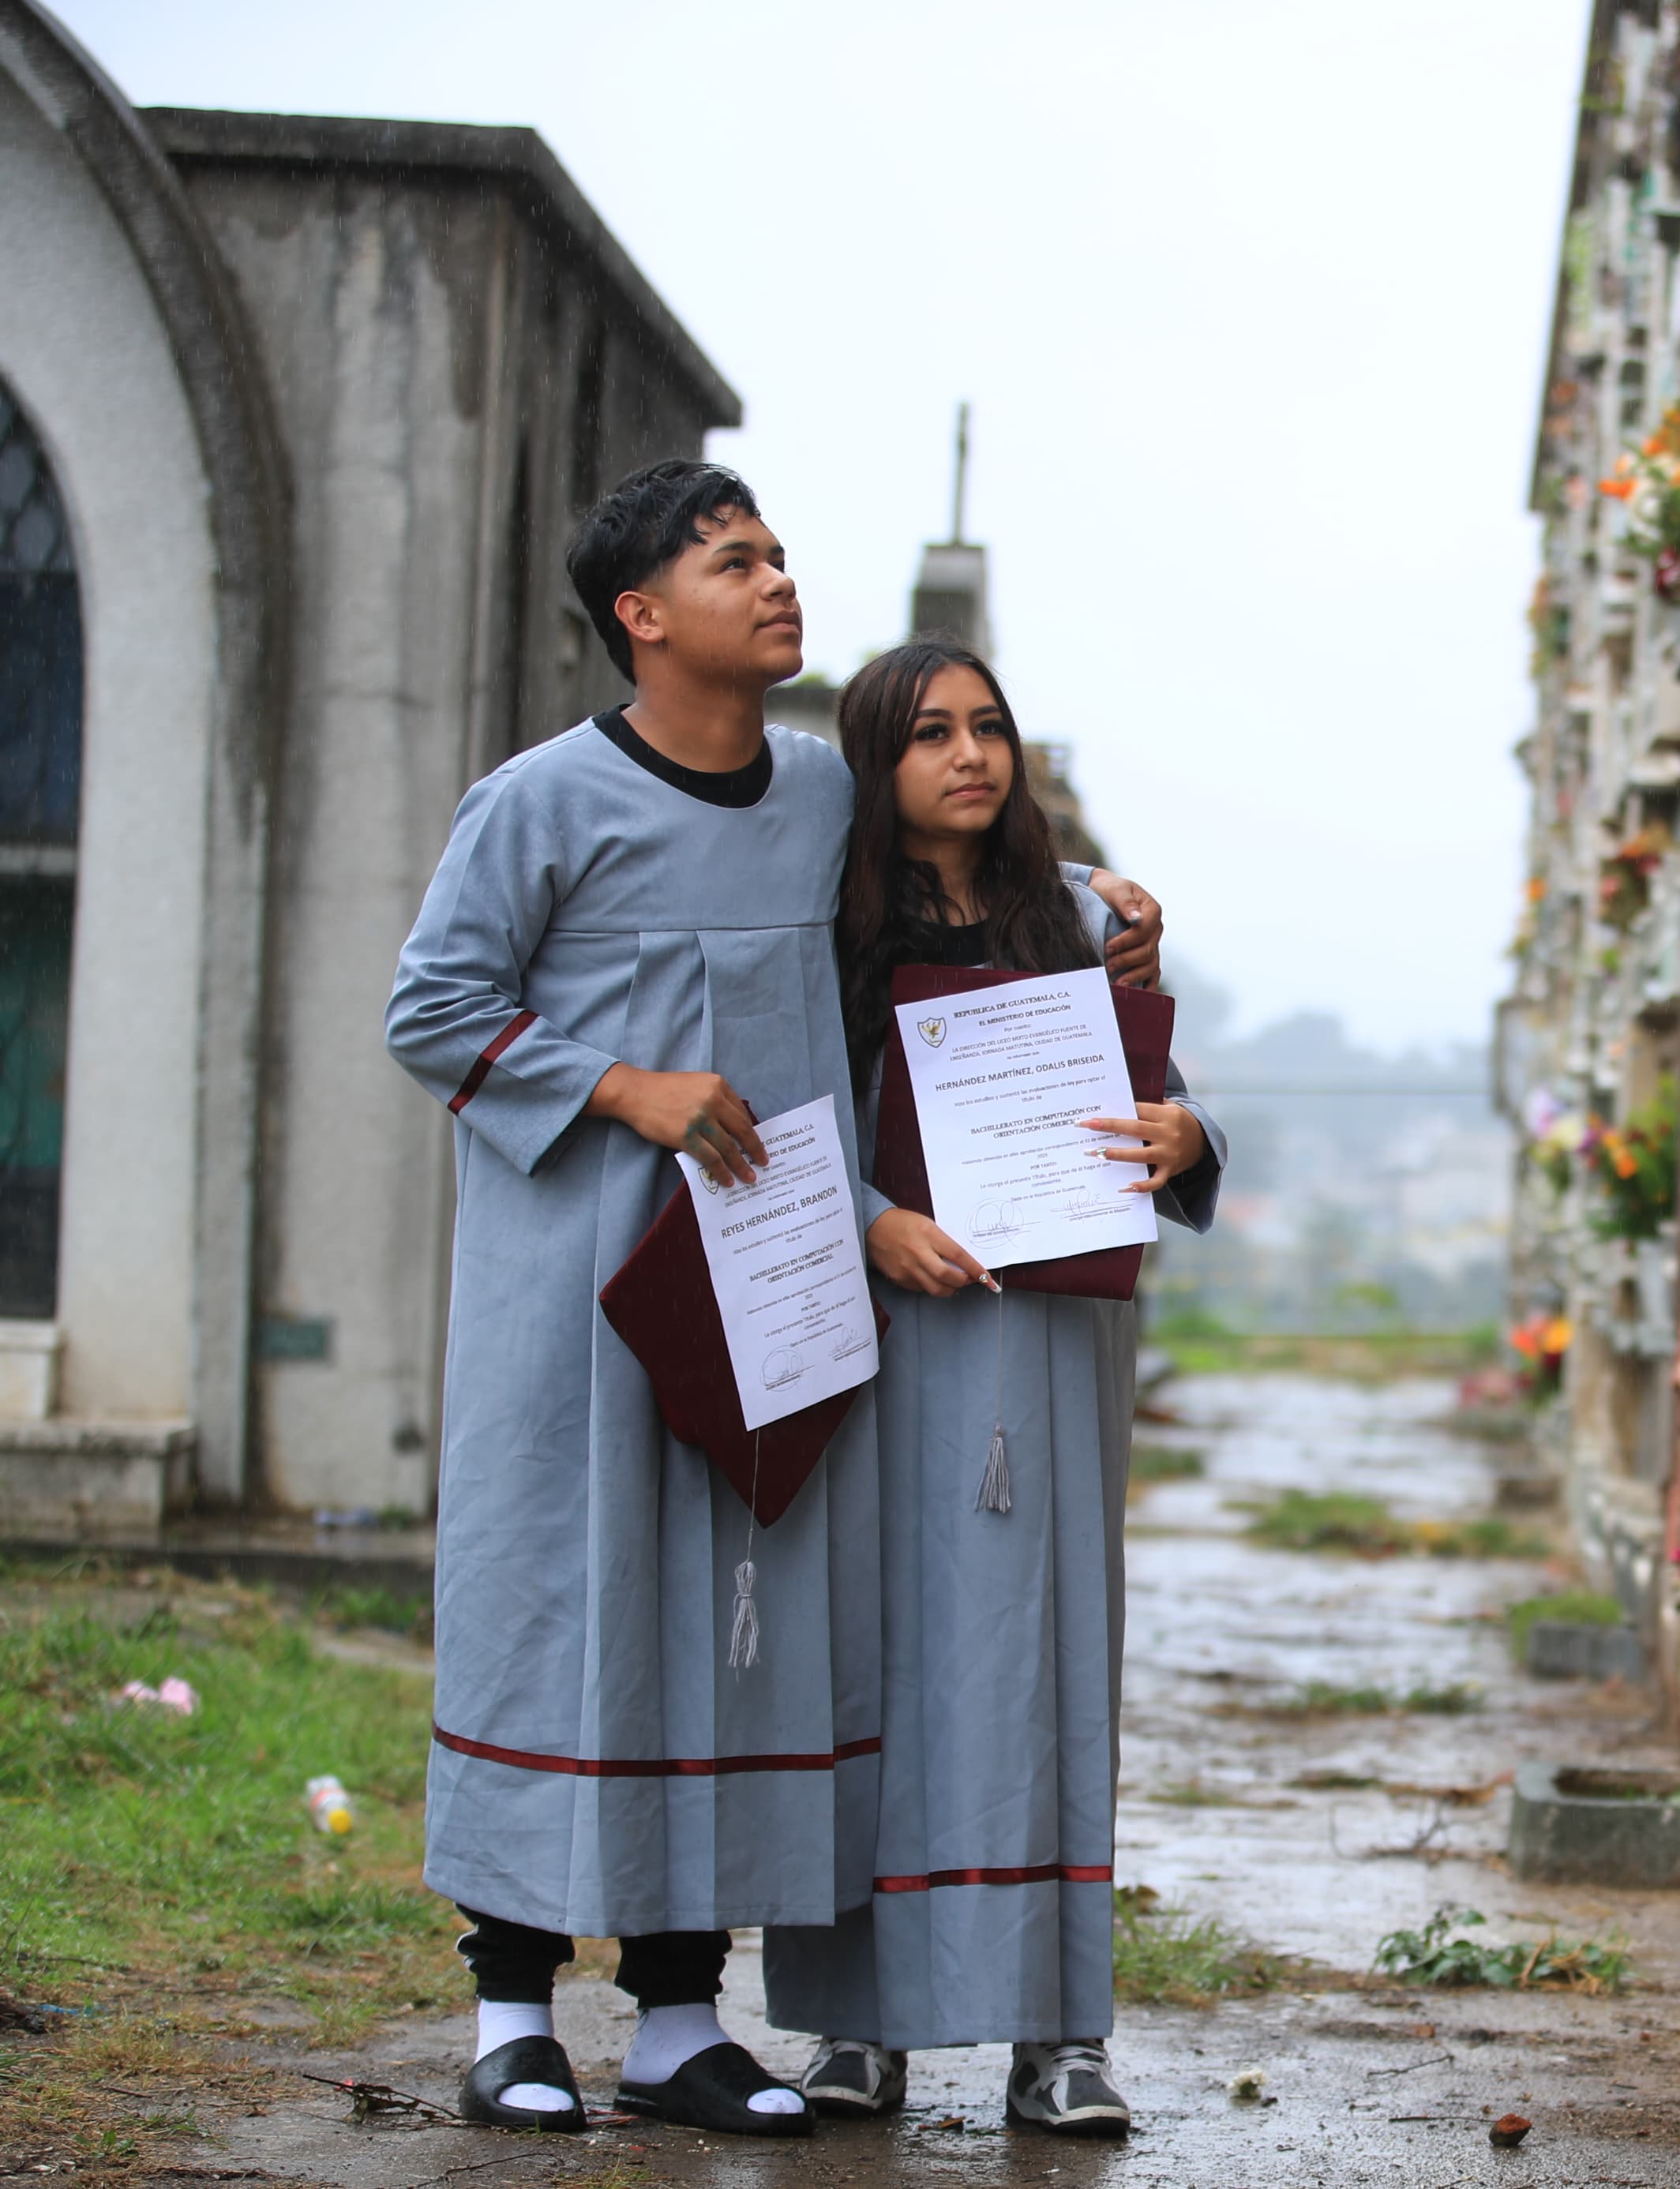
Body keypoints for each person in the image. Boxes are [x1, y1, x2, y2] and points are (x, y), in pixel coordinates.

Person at [387, 465, 1167, 2139]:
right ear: (643, 616)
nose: (776, 580)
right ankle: (510, 2003)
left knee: (739, 1631)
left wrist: (1105, 901)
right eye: (733, 561)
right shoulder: (537, 801)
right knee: (567, 1613)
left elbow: (970, 850)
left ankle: (678, 2019)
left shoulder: (820, 792)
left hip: (778, 1271)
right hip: (576, 1289)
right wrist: (623, 1088)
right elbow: (433, 1008)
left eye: (779, 553)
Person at [759, 639, 1223, 2138]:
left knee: (1042, 1658)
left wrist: (1186, 1141)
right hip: (879, 1322)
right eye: (932, 732)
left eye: (992, 727)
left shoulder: (1079, 918)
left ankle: (1058, 2036)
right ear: (871, 756)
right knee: (871, 1653)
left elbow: (1161, 1097)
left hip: (1044, 1341)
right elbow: (775, 1114)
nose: (971, 754)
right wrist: (867, 1217)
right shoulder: (816, 925)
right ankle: (854, 2023)